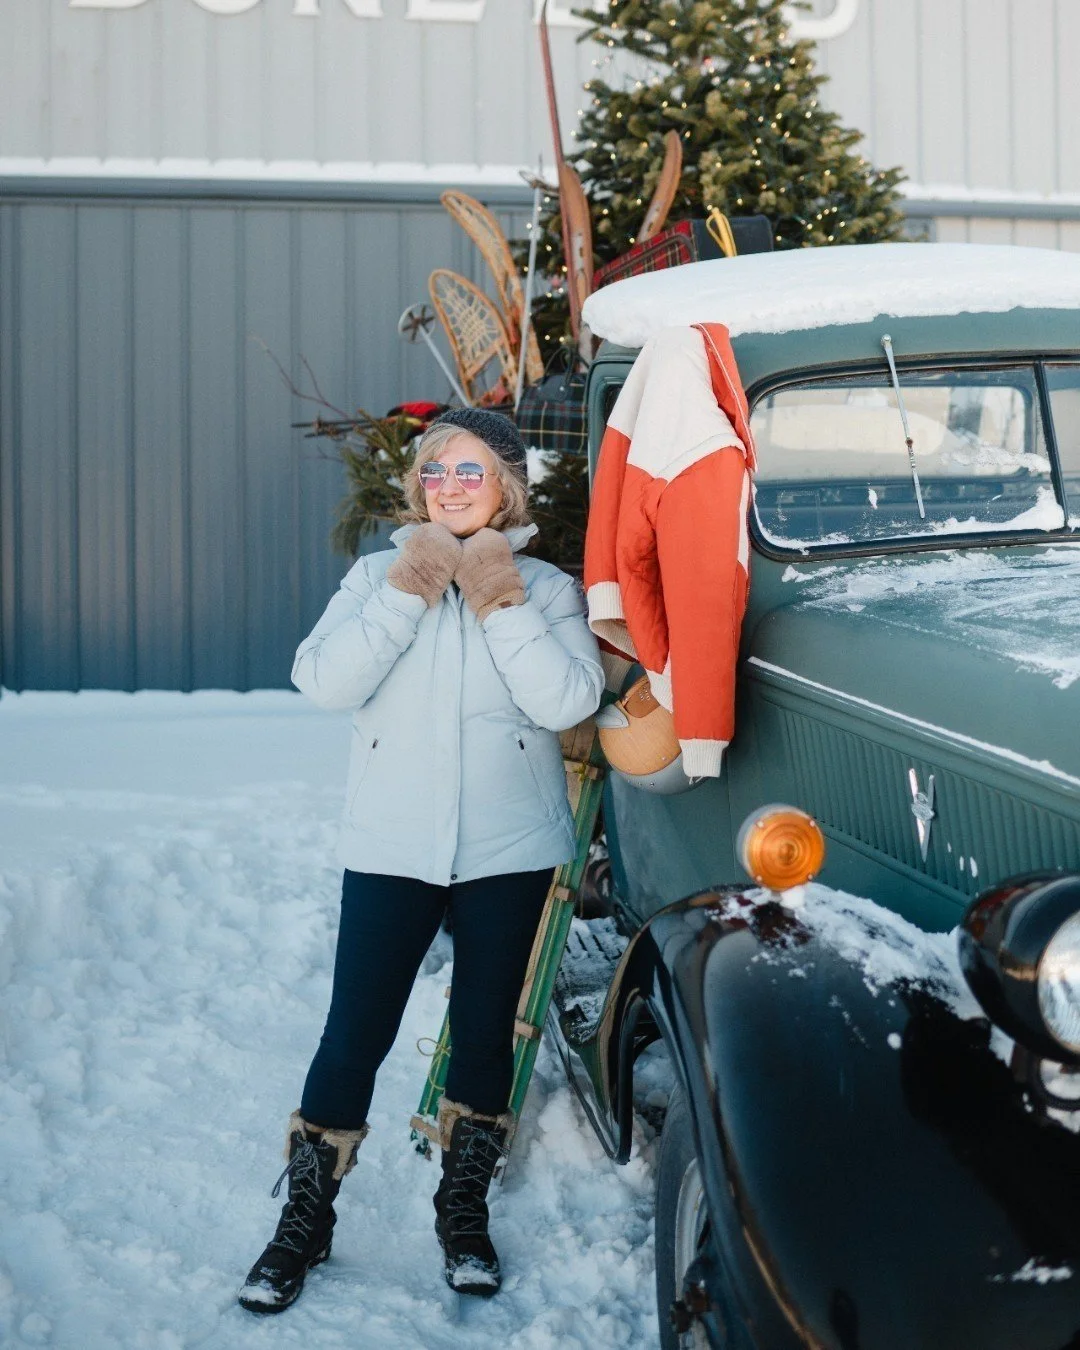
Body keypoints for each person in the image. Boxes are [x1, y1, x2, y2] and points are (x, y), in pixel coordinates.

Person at [239, 408, 604, 1313]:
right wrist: (412, 587)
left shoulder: (546, 588)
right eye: (436, 471)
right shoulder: (375, 576)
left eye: (469, 472)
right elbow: (323, 681)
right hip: (392, 845)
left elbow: (565, 698)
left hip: (506, 851)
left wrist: (496, 593)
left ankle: (463, 1213)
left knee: (484, 1038)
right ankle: (306, 1224)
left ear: (508, 486)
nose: (448, 486)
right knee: (352, 1034)